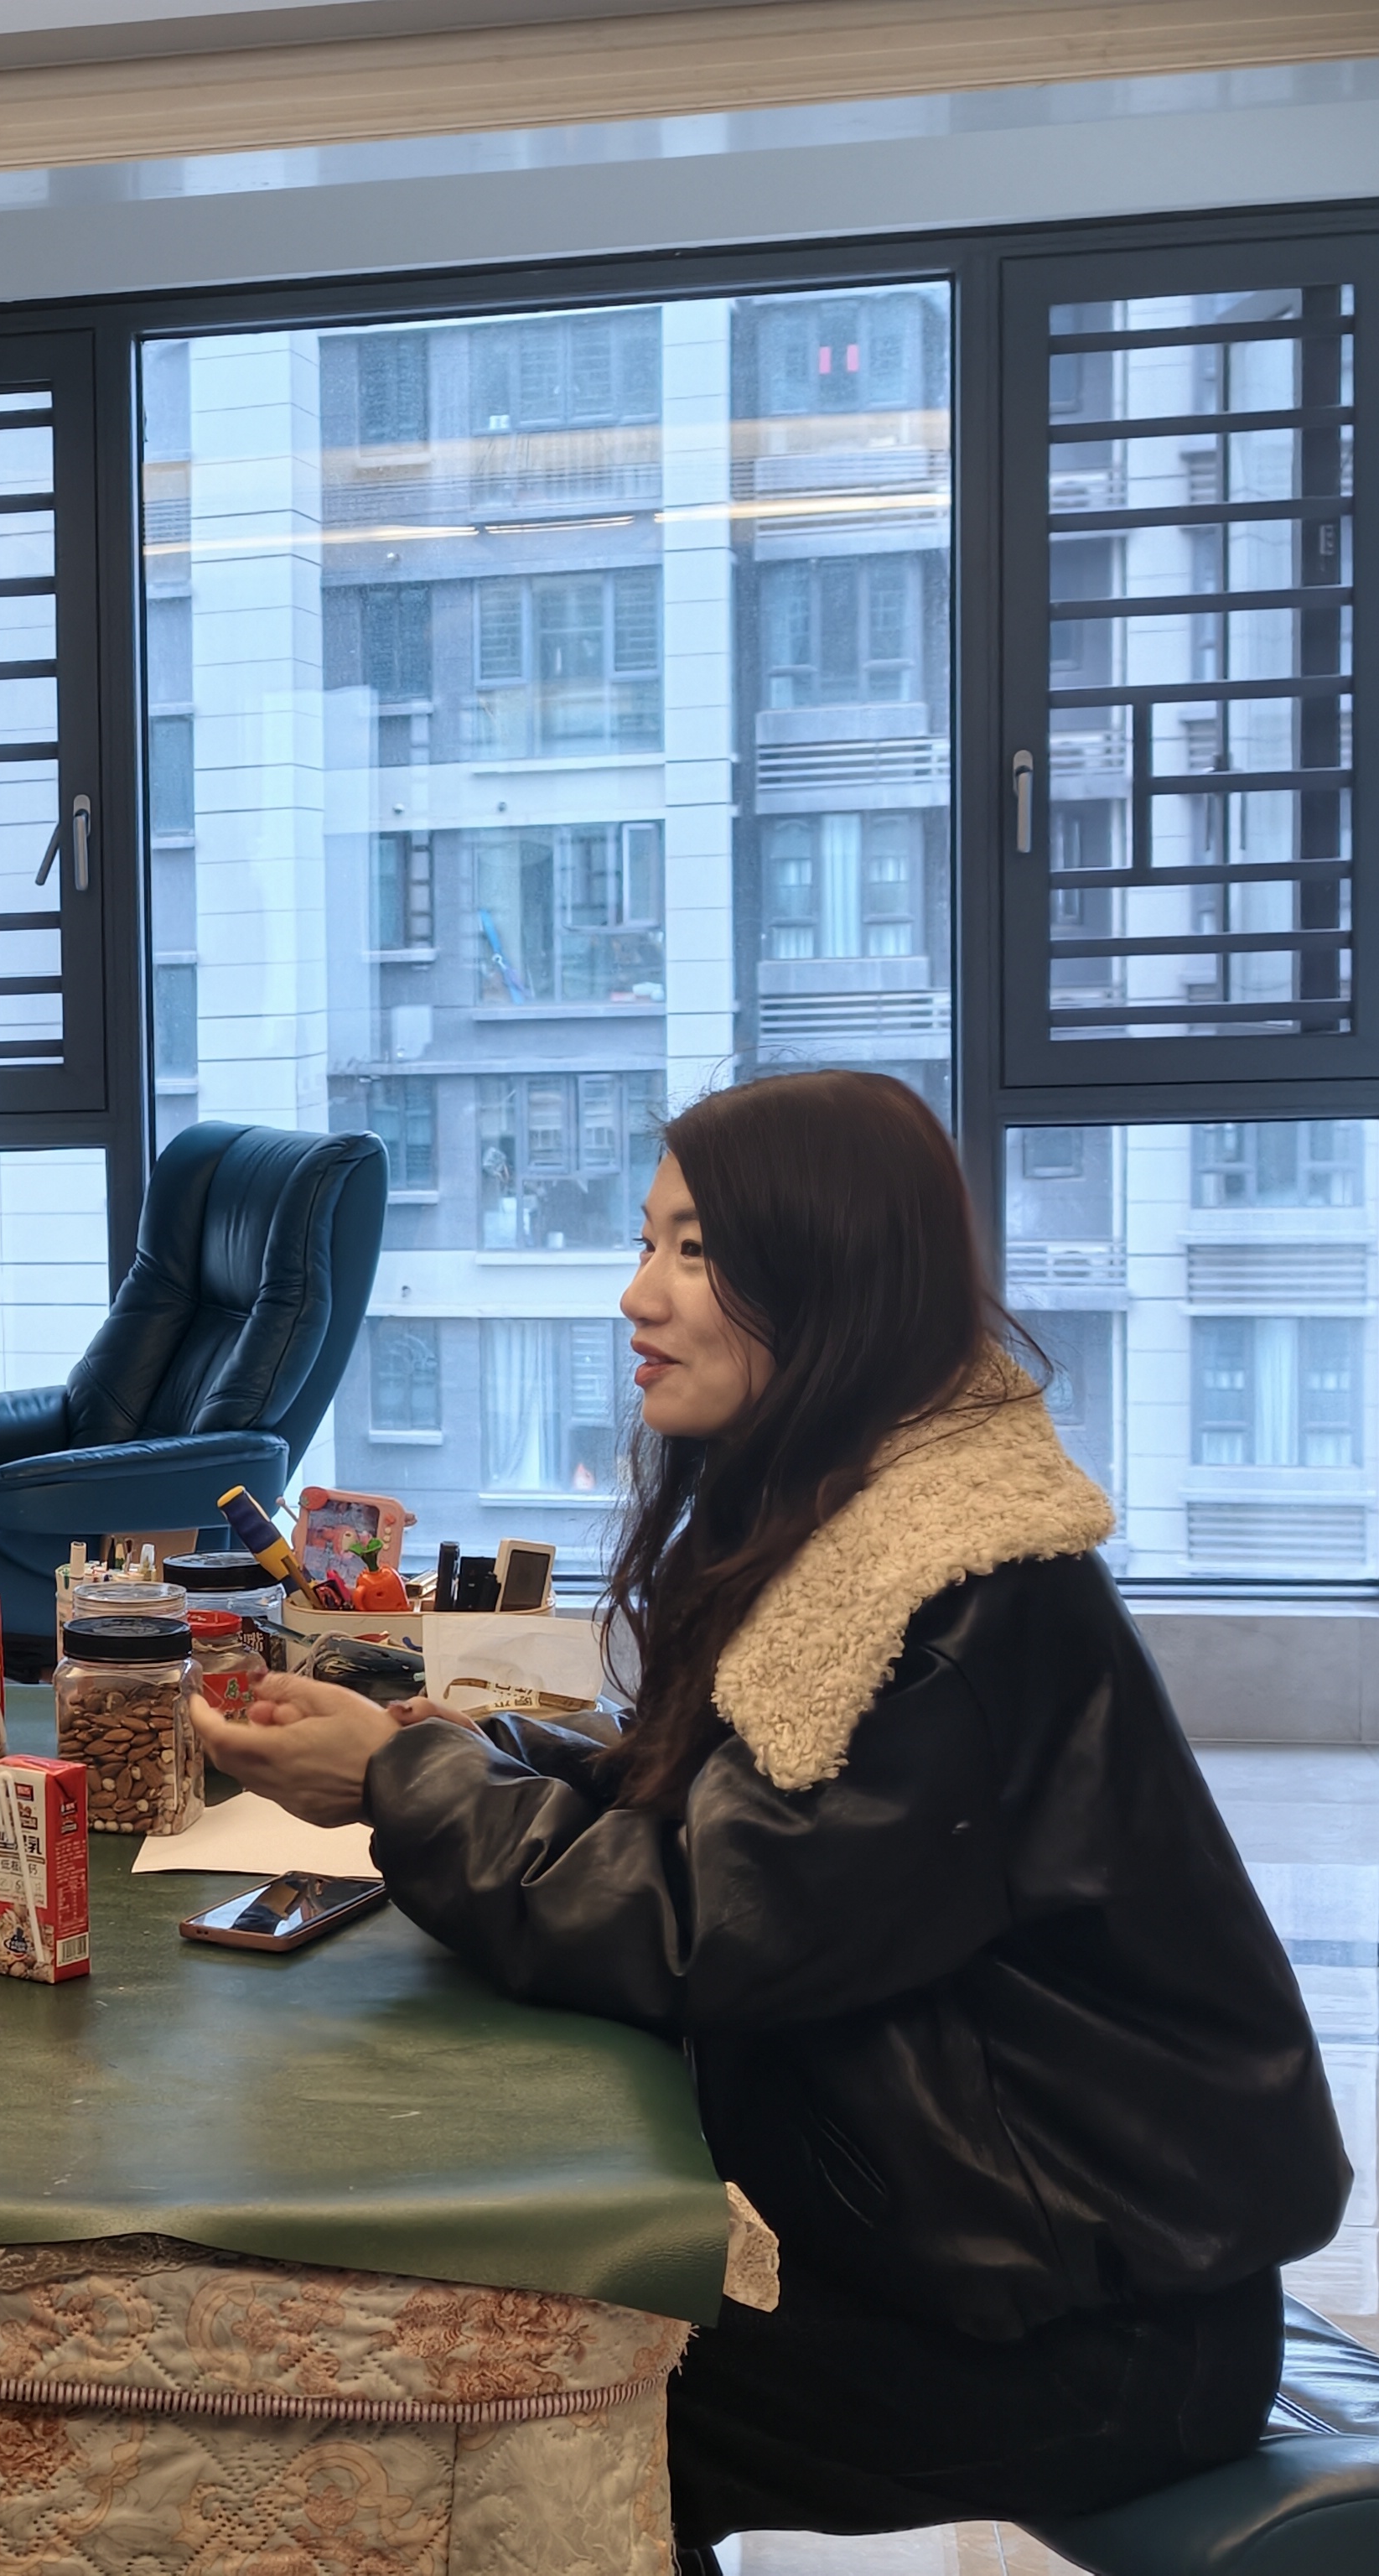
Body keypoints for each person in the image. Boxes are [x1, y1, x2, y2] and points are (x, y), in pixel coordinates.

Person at [197, 1070, 1351, 2563]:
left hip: (1085, 2327)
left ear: (832, 1277)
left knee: (515, 2405)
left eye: (695, 1250)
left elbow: (704, 1926)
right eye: (646, 1241)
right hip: (973, 2256)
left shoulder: (953, 1593)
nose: (637, 1293)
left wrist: (396, 1785)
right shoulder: (853, 1515)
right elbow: (723, 1808)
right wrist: (459, 1745)